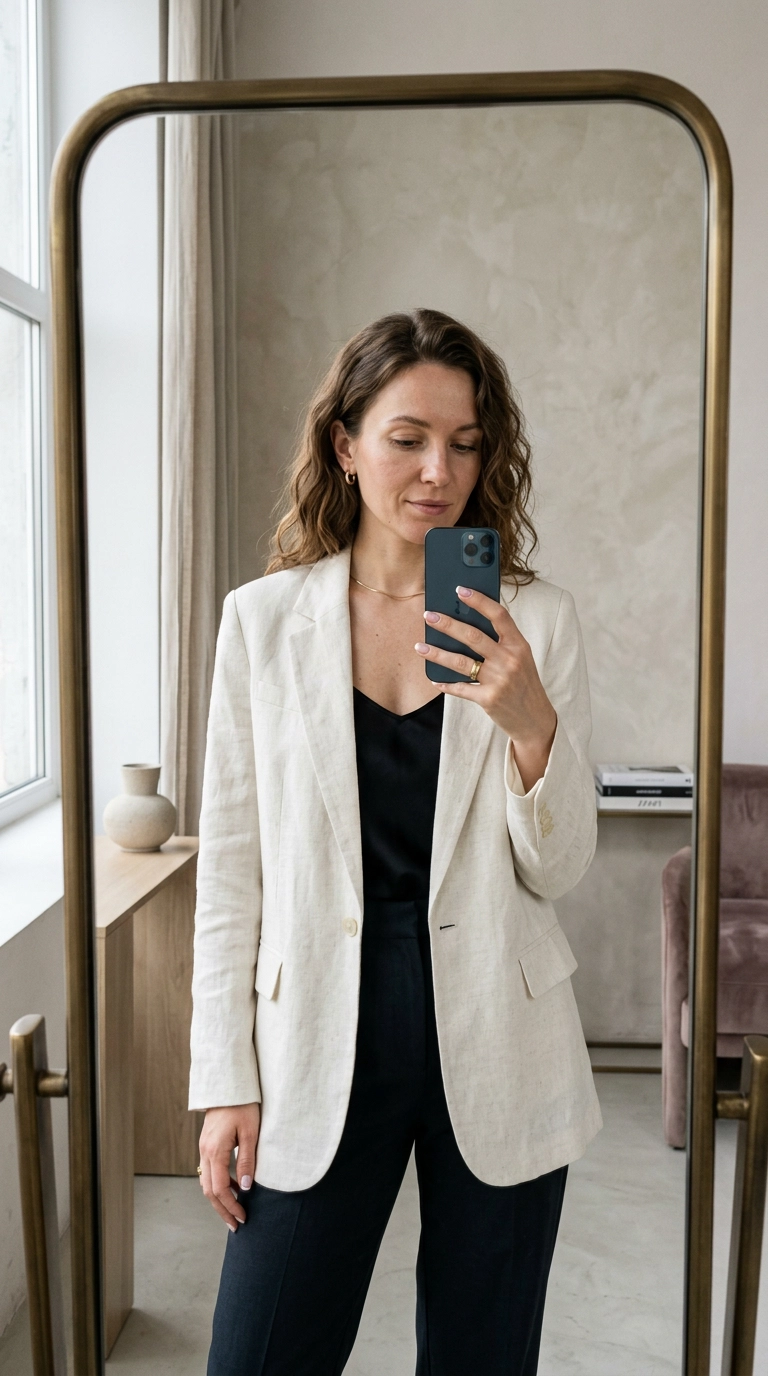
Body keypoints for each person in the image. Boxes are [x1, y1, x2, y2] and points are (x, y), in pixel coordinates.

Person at [190, 307, 602, 1375]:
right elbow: (232, 869)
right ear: (345, 441)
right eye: (408, 436)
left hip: (498, 1030)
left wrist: (528, 722)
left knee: (482, 1357)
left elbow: (558, 868)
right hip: (318, 1029)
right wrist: (223, 1076)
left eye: (465, 443)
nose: (439, 471)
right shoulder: (262, 622)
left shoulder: (537, 620)